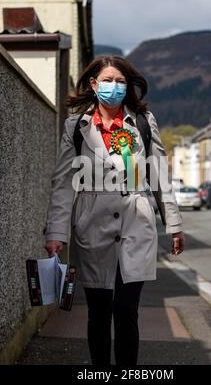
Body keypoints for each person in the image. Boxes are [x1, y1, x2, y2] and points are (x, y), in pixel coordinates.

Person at [44, 56, 185, 366]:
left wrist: (173, 223)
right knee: (98, 312)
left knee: (126, 310)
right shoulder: (76, 126)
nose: (115, 87)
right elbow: (64, 182)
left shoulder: (144, 121)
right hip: (92, 225)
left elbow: (159, 174)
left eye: (121, 81)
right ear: (94, 85)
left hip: (136, 224)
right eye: (108, 80)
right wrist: (56, 233)